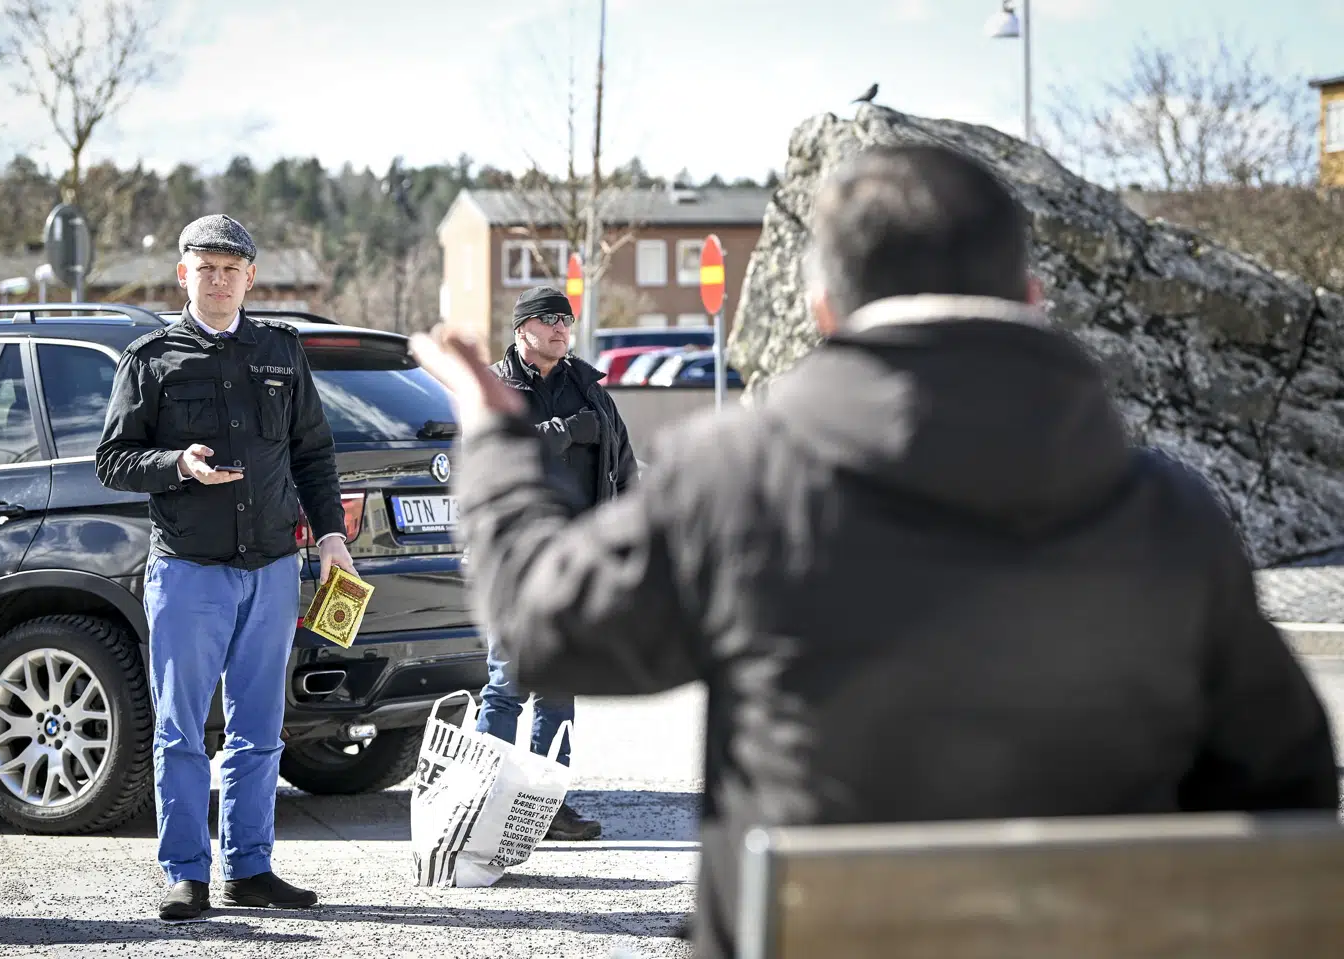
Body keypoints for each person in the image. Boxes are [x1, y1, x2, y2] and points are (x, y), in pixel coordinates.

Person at [409, 145, 1340, 959]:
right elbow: (1284, 799)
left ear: (821, 306)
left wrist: (493, 443)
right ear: (1030, 298)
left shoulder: (740, 482)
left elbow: (543, 629)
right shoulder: (1169, 513)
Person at [97, 214, 356, 921]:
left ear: (250, 276)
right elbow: (113, 460)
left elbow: (313, 453)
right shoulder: (150, 357)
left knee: (260, 728)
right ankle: (186, 872)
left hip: (272, 567)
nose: (216, 278)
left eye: (229, 267)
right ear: (183, 273)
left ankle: (251, 867)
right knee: (181, 728)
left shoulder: (279, 351)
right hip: (188, 570)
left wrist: (330, 535)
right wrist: (174, 464)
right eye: (203, 266)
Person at [472, 285, 639, 841]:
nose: (562, 329)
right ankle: (485, 801)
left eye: (567, 321)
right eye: (549, 321)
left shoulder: (590, 390)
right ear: (522, 329)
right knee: (507, 684)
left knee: (560, 684)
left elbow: (625, 467)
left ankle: (545, 807)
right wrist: (565, 433)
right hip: (517, 557)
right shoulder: (496, 388)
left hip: (577, 558)